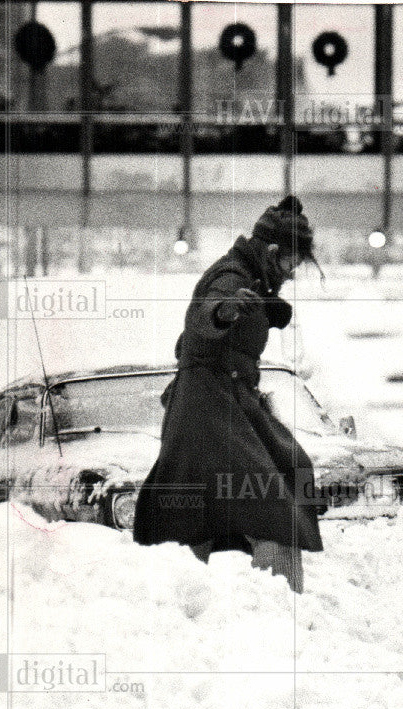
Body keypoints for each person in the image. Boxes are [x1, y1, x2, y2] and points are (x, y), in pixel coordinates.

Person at [133, 196, 323, 593]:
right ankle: (275, 600)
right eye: (290, 263)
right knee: (267, 502)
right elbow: (204, 312)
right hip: (207, 406)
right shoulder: (232, 274)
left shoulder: (252, 276)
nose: (291, 274)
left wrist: (267, 307)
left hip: (229, 399)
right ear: (272, 252)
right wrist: (226, 310)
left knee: (288, 471)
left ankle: (179, 589)